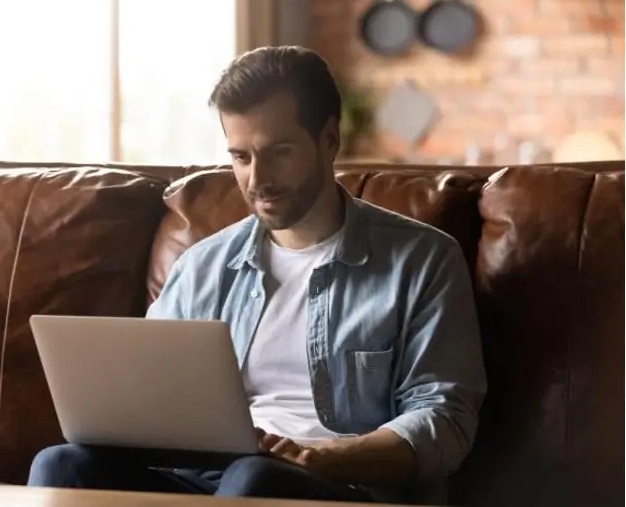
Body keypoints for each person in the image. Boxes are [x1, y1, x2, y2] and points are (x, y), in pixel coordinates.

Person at [27, 45, 487, 504]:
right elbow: (146, 401)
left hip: (344, 484)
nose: (257, 179)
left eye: (278, 153)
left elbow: (443, 419)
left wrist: (324, 456)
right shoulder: (203, 267)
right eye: (241, 157)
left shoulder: (422, 261)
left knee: (253, 479)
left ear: (329, 139)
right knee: (61, 465)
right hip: (209, 481)